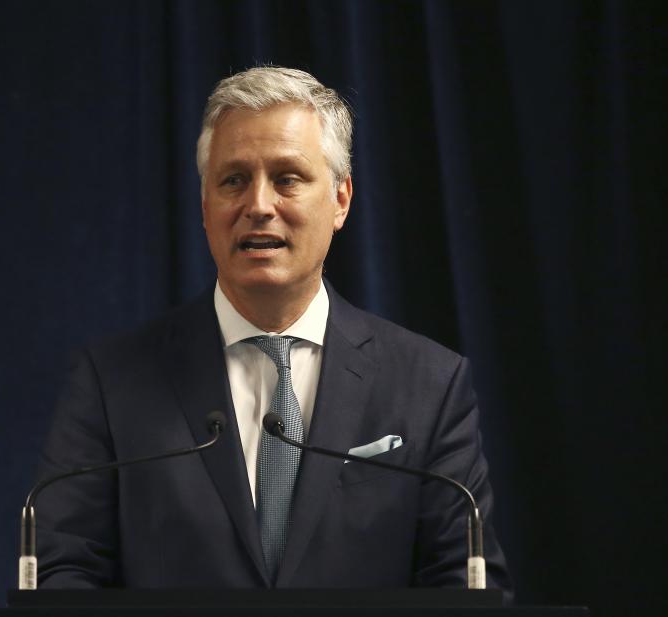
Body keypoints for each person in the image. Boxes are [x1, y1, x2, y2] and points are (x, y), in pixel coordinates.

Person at [36, 66, 510, 592]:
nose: (258, 206)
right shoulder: (111, 382)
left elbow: (464, 581)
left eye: (287, 178)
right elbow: (67, 573)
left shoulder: (429, 384)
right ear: (204, 205)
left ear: (341, 199)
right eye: (234, 180)